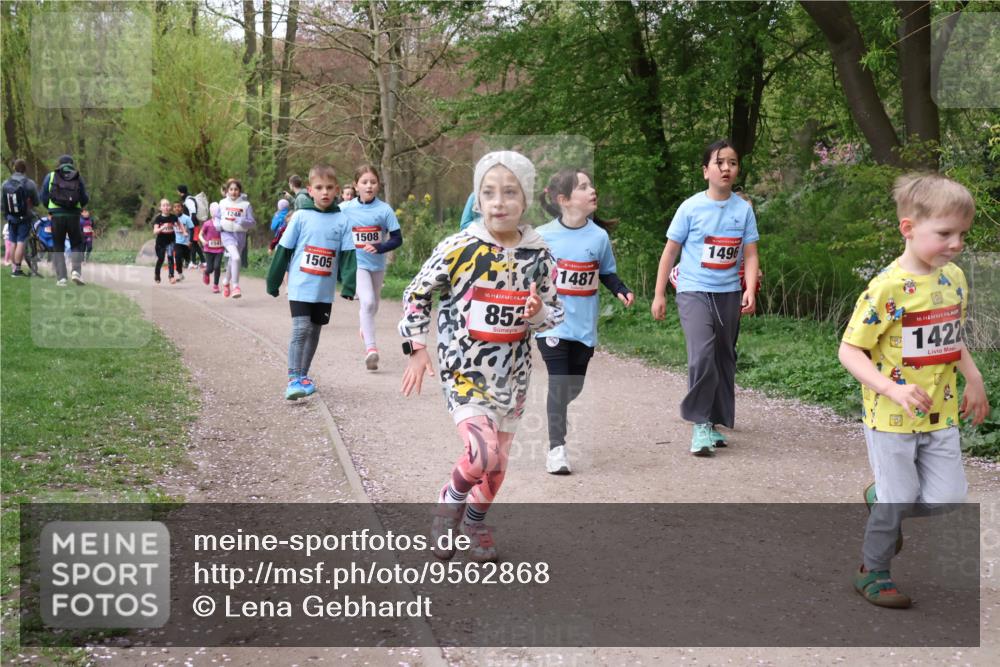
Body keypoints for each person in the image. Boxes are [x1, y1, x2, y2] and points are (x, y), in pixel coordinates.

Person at [400, 150, 563, 562]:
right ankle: (448, 505)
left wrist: (538, 313)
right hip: (463, 367)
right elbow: (417, 292)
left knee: (498, 461)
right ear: (477, 199)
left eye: (510, 192)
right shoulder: (460, 247)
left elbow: (553, 311)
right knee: (482, 452)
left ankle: (474, 520)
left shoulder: (538, 254)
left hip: (513, 373)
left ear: (525, 200)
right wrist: (417, 348)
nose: (499, 201)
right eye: (489, 192)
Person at [837, 173, 989, 609]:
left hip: (941, 413)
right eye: (945, 233)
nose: (956, 243)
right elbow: (850, 351)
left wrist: (973, 377)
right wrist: (892, 389)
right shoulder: (886, 288)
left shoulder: (953, 278)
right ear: (908, 228)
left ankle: (881, 499)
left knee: (948, 501)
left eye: (962, 233)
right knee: (899, 497)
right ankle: (874, 570)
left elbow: (951, 337)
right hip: (891, 417)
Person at [651, 139, 759, 456]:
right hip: (693, 289)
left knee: (724, 357)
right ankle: (699, 424)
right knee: (702, 353)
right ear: (705, 171)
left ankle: (713, 421)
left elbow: (751, 255)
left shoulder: (744, 210)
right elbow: (670, 252)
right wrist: (659, 294)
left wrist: (749, 288)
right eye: (719, 162)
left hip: (728, 292)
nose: (726, 168)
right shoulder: (691, 207)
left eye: (733, 163)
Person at [536, 169, 635, 474]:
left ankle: (557, 411)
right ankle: (557, 449)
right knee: (558, 381)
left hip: (583, 327)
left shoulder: (599, 236)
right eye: (583, 187)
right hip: (552, 323)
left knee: (572, 386)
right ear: (564, 200)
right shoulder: (542, 237)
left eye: (591, 184)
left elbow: (605, 272)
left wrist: (621, 289)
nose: (592, 190)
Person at [266, 164, 354, 399]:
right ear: (309, 190)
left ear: (336, 190)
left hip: (323, 290)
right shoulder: (301, 217)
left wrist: (349, 284)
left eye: (328, 188)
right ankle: (293, 378)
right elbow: (283, 250)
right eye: (319, 188)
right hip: (300, 285)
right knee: (301, 328)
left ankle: (304, 375)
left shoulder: (342, 221)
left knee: (314, 331)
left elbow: (348, 255)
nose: (324, 192)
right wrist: (273, 281)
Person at [340, 165, 403, 371]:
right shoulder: (345, 208)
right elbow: (330, 224)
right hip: (357, 264)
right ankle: (371, 350)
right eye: (364, 182)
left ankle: (364, 326)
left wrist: (380, 247)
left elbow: (397, 239)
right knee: (366, 303)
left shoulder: (384, 210)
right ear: (356, 185)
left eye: (373, 182)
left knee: (374, 306)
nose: (369, 186)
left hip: (377, 264)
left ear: (378, 185)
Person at [40, 154, 89, 286]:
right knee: (77, 244)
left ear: (59, 163)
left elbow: (43, 197)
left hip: (56, 216)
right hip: (74, 216)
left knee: (58, 245)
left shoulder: (50, 176)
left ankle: (61, 278)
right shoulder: (78, 177)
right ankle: (76, 272)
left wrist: (51, 209)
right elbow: (84, 198)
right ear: (72, 164)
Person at [2, 159, 41, 278]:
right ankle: (17, 269)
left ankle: (14, 269)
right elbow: (37, 202)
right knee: (21, 241)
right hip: (24, 217)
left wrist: (7, 214)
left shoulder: (5, 183)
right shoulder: (29, 183)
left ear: (14, 168)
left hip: (10, 217)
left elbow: (2, 203)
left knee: (12, 241)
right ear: (25, 169)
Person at [218, 178, 255, 299]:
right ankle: (236, 286)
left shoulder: (246, 205)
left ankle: (225, 282)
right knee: (236, 257)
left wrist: (242, 221)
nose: (233, 192)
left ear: (239, 191)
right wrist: (217, 225)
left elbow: (252, 223)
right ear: (227, 191)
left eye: (236, 189)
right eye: (231, 189)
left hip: (240, 235)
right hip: (226, 234)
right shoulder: (222, 203)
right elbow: (216, 218)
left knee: (232, 260)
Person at [152, 198, 179, 284]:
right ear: (160, 208)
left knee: (170, 257)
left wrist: (182, 230)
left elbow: (178, 224)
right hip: (160, 243)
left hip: (171, 241)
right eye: (164, 205)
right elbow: (155, 231)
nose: (166, 207)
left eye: (167, 205)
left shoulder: (173, 217)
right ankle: (157, 274)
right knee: (161, 259)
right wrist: (162, 227)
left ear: (170, 207)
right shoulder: (158, 218)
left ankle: (171, 276)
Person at [201, 202, 225, 292]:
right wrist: (203, 241)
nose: (215, 213)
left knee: (217, 266)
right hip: (208, 249)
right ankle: (206, 272)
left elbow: (226, 234)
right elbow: (200, 235)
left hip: (219, 249)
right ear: (210, 212)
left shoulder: (222, 224)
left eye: (217, 211)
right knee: (210, 268)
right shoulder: (207, 224)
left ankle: (215, 285)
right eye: (213, 211)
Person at [172, 201, 193, 278]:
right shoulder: (172, 218)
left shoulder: (187, 218)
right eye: (175, 207)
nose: (177, 208)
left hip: (186, 242)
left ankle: (188, 262)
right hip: (177, 242)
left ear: (182, 208)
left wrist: (190, 241)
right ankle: (180, 272)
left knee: (187, 257)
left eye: (179, 206)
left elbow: (192, 229)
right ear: (173, 209)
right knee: (177, 256)